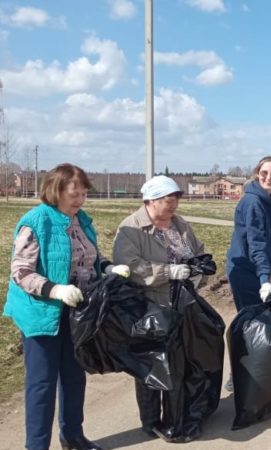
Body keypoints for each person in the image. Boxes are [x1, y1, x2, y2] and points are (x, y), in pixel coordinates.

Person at [5, 163, 129, 450]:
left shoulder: (81, 220)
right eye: (74, 193)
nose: (80, 199)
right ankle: (36, 446)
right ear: (55, 190)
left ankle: (72, 436)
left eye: (84, 193)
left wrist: (109, 267)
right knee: (42, 384)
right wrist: (55, 289)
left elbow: (90, 259)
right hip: (40, 312)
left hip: (76, 313)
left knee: (74, 377)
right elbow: (20, 271)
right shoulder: (36, 221)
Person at [112, 175, 205, 437]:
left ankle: (176, 414)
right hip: (148, 307)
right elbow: (129, 266)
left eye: (176, 198)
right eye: (168, 199)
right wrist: (167, 271)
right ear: (151, 201)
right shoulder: (131, 228)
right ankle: (151, 420)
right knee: (151, 364)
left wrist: (201, 269)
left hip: (182, 303)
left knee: (178, 361)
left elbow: (198, 251)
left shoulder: (179, 224)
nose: (174, 203)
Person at [226, 156, 271, 311]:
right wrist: (264, 280)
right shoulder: (253, 202)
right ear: (257, 173)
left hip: (260, 269)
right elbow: (257, 242)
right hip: (245, 269)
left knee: (262, 321)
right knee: (252, 324)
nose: (269, 177)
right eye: (264, 173)